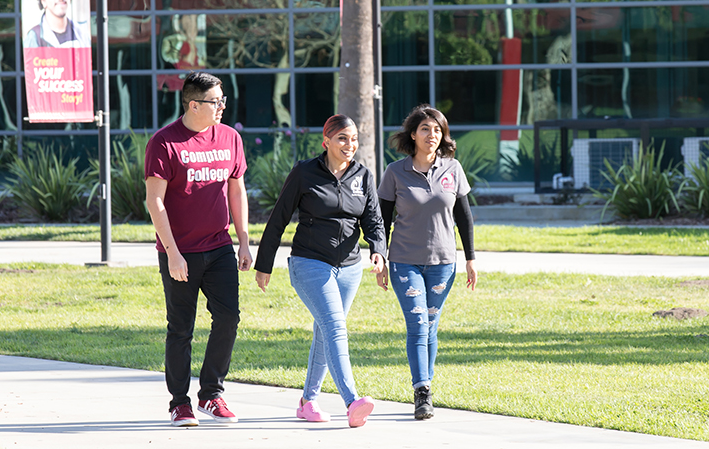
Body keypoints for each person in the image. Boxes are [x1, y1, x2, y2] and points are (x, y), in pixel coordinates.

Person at [254, 114, 386, 428]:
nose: (349, 145)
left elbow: (374, 221)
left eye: (354, 139)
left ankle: (307, 401)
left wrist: (378, 250)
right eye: (342, 138)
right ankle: (352, 401)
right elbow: (278, 219)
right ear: (326, 141)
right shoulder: (304, 173)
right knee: (335, 327)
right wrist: (264, 264)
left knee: (325, 332)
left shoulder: (363, 176)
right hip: (310, 262)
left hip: (350, 267)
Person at [144, 71, 252, 427]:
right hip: (180, 252)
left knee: (228, 319)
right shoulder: (165, 143)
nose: (222, 107)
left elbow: (236, 190)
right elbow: (155, 201)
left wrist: (244, 241)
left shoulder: (230, 138)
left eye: (222, 100)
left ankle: (211, 393)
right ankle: (180, 402)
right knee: (181, 328)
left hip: (219, 246)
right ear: (194, 104)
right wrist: (172, 252)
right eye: (215, 101)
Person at [376, 104, 477, 421]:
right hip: (405, 262)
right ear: (412, 135)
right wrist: (379, 256)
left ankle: (425, 384)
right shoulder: (395, 172)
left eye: (437, 129)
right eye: (425, 129)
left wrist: (471, 259)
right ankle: (422, 393)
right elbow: (382, 220)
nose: (431, 135)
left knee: (430, 326)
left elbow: (464, 218)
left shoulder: (453, 169)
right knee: (419, 324)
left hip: (443, 263)